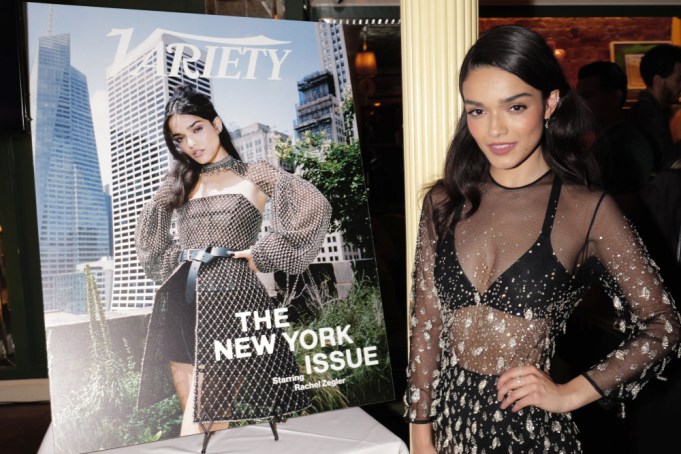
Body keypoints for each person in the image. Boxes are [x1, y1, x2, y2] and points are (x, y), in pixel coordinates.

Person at [404, 25, 681, 453]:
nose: (494, 129)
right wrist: (420, 426)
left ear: (550, 103)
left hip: (530, 436)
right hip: (450, 428)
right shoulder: (445, 202)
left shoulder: (586, 210)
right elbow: (426, 320)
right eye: (477, 111)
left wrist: (572, 392)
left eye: (514, 106)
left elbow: (663, 326)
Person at [135, 85, 331, 435]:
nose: (191, 143)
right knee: (203, 430)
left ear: (217, 124)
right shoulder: (181, 181)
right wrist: (173, 254)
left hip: (231, 302)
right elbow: (151, 244)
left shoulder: (254, 173)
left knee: (200, 428)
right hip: (183, 301)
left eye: (197, 128)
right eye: (180, 138)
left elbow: (315, 205)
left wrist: (263, 254)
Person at [576, 61, 654, 203]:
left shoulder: (626, 143)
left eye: (587, 97)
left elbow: (628, 203)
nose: (580, 104)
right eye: (578, 98)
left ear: (614, 98)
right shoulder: (608, 138)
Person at [628, 44, 681, 172]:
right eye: (679, 80)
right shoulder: (648, 117)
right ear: (658, 81)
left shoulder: (654, 111)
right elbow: (661, 167)